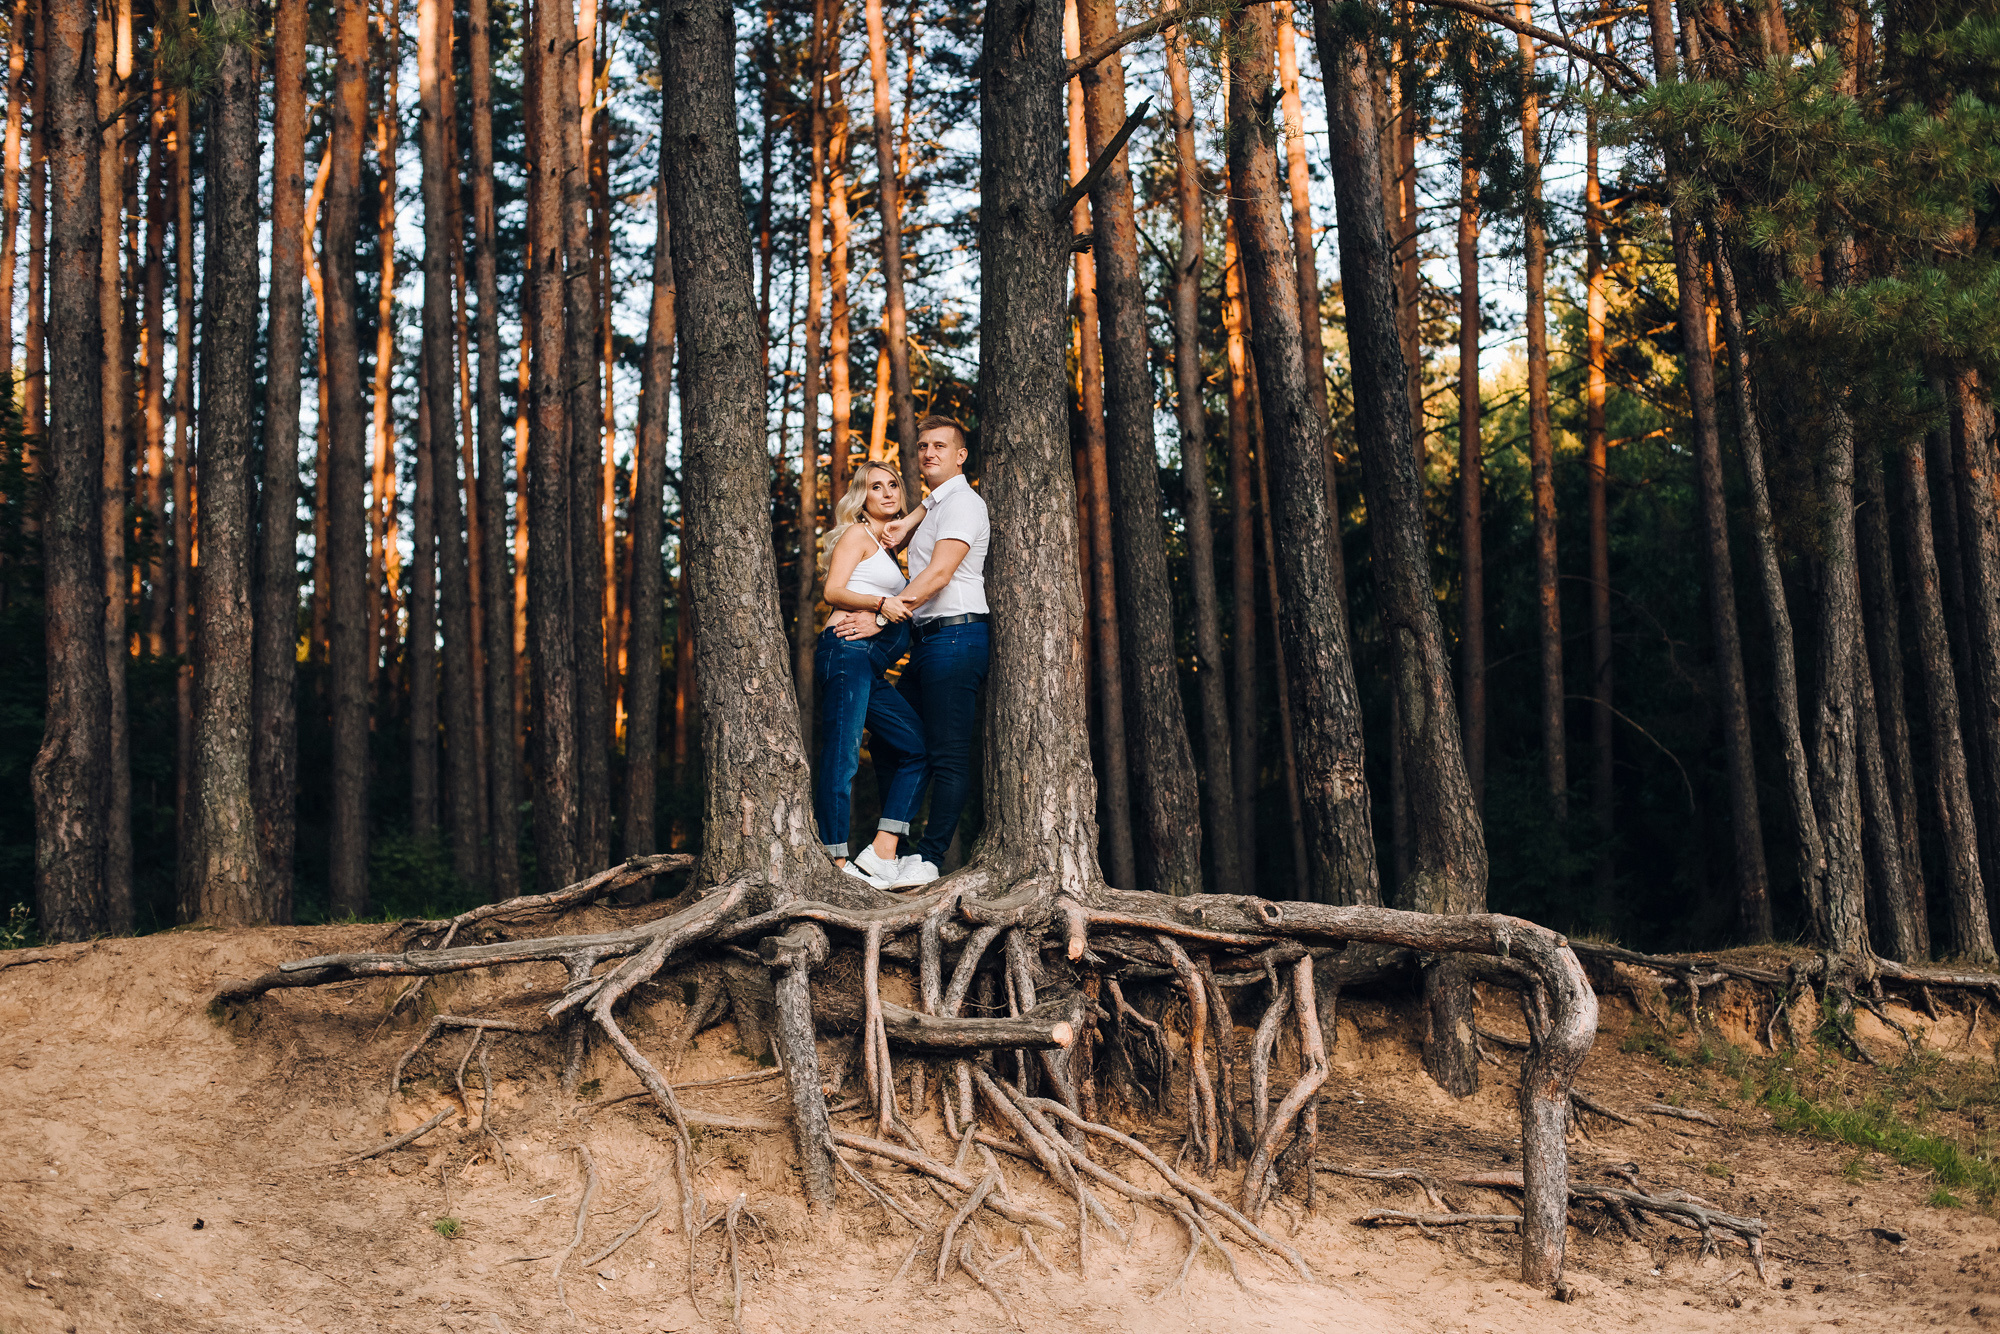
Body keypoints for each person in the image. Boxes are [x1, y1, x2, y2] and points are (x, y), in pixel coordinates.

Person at [832, 416, 988, 884]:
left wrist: (880, 614)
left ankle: (929, 859)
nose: (929, 453)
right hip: (928, 642)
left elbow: (939, 574)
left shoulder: (964, 504)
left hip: (957, 637)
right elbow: (928, 505)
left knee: (947, 754)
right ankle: (887, 850)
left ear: (961, 455)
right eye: (922, 446)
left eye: (941, 446)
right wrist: (912, 519)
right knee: (896, 744)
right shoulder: (936, 506)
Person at [813, 462, 931, 889]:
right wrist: (881, 604)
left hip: (867, 664)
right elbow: (833, 591)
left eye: (893, 485)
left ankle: (882, 850)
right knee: (843, 757)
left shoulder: (884, 547)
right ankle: (835, 862)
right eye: (875, 487)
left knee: (917, 747)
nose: (886, 493)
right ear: (861, 497)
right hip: (845, 652)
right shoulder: (855, 536)